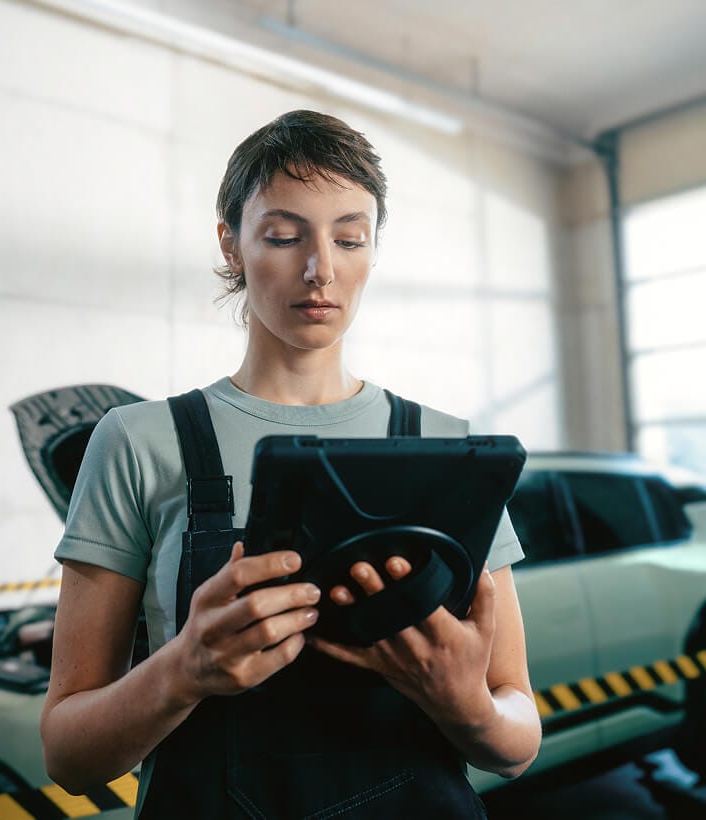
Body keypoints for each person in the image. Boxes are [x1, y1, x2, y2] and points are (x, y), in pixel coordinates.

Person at [41, 109, 542, 818]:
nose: (321, 270)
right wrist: (182, 672)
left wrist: (467, 707)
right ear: (232, 245)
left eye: (349, 238)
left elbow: (518, 738)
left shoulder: (446, 446)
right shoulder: (137, 441)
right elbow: (67, 754)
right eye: (283, 235)